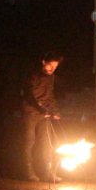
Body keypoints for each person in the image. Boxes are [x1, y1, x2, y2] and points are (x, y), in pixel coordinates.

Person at [21, 51, 64, 182]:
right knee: (29, 142)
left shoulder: (51, 77)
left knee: (47, 143)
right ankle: (28, 172)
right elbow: (29, 94)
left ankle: (49, 173)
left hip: (44, 115)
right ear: (44, 62)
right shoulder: (32, 75)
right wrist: (40, 108)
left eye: (55, 67)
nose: (52, 69)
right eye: (50, 65)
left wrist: (55, 111)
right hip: (30, 113)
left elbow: (50, 95)